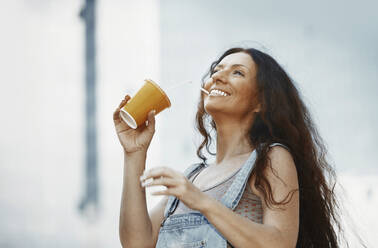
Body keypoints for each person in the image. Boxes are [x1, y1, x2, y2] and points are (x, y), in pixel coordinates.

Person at [114, 47, 352, 247]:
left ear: (261, 101)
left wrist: (200, 200)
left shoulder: (271, 158)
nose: (217, 76)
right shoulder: (193, 178)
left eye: (237, 72)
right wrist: (134, 153)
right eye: (216, 70)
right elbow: (137, 243)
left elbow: (279, 243)